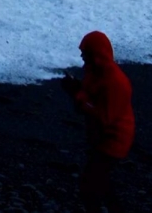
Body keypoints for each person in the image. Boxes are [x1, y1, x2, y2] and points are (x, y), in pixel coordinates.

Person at [61, 31, 135, 213]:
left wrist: (76, 94)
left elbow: (102, 115)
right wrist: (78, 90)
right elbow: (90, 98)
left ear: (96, 54)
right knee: (102, 183)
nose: (81, 56)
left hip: (114, 141)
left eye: (85, 52)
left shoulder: (115, 82)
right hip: (101, 137)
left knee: (90, 185)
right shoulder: (94, 71)